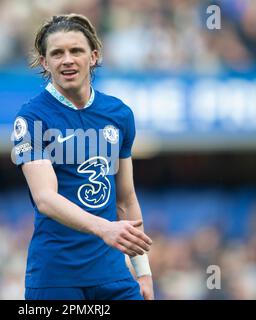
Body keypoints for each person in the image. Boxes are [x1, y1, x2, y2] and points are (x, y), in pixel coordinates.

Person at [11, 13, 154, 300]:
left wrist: (143, 272)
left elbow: (125, 199)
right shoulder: (32, 117)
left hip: (113, 274)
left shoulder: (118, 113)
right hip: (56, 277)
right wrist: (104, 229)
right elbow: (45, 198)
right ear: (44, 62)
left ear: (94, 56)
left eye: (76, 50)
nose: (67, 60)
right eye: (57, 53)